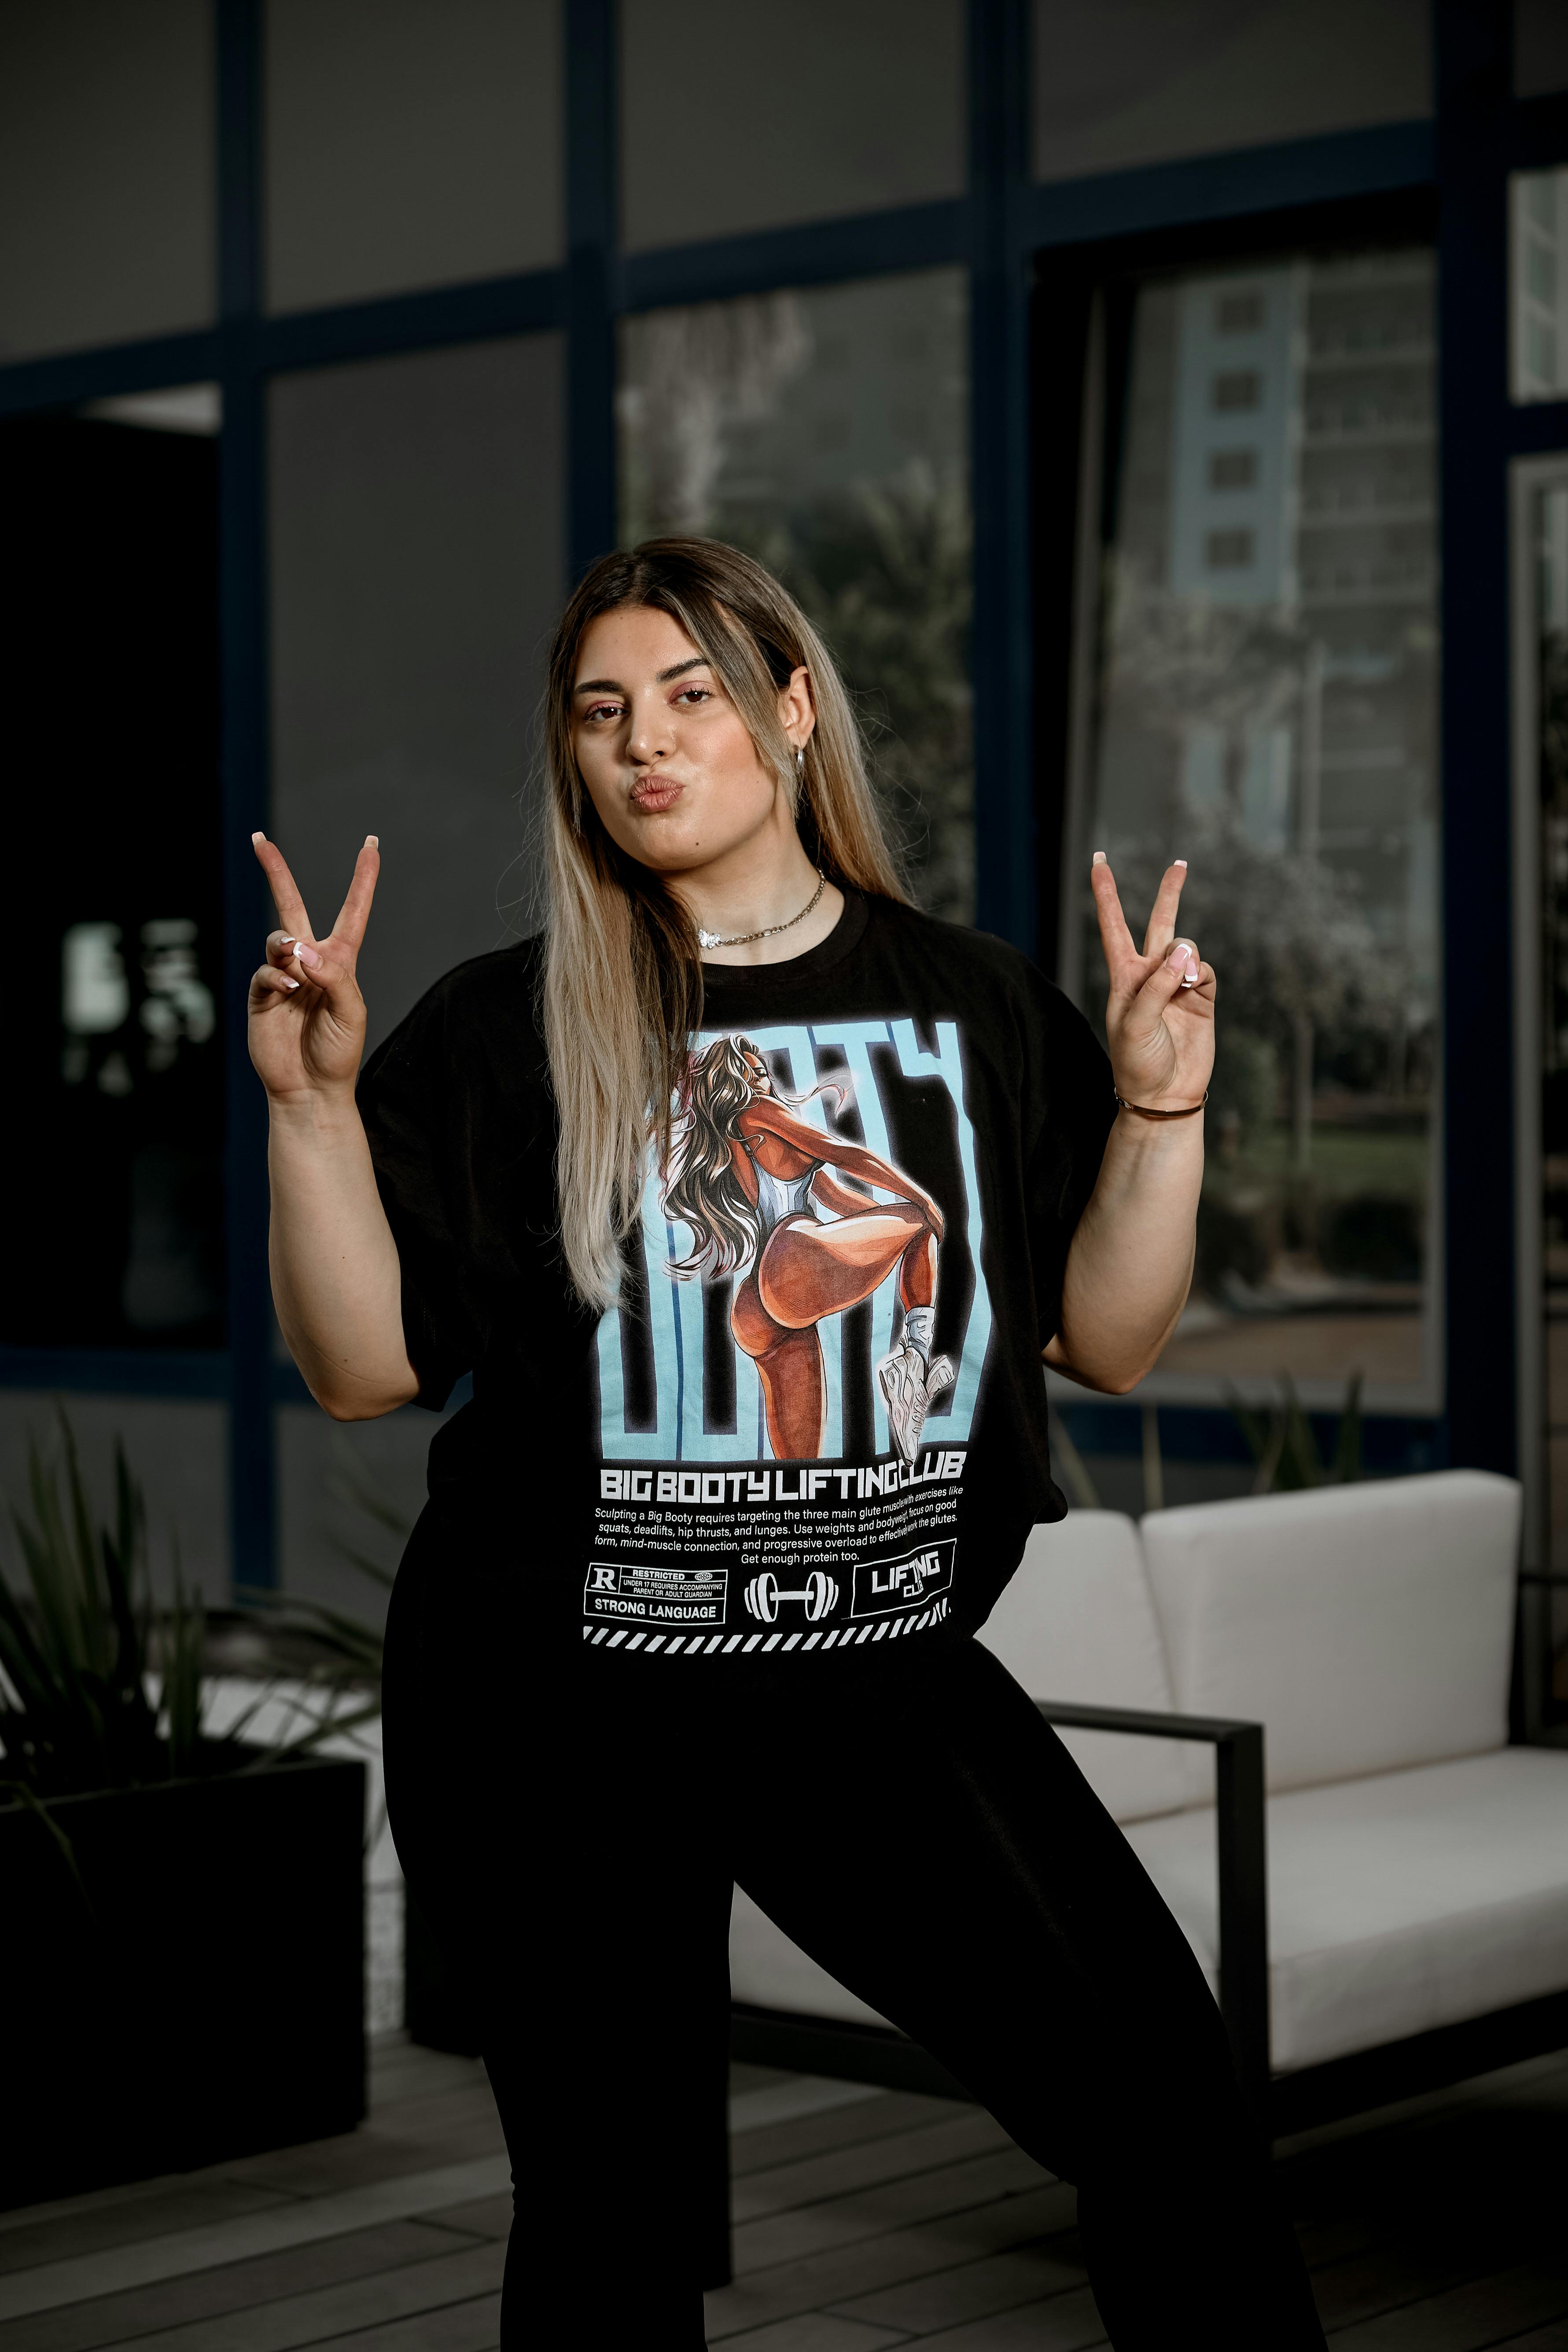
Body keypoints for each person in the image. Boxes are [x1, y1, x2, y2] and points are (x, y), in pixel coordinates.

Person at [248, 538, 1326, 2350]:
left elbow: (1111, 1337)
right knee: (611, 2219)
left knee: (1164, 2109)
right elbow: (363, 1372)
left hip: (870, 1672)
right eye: (603, 712)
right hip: (555, 1693)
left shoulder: (972, 1003)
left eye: (691, 695)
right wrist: (314, 1111)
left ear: (794, 710)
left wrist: (1160, 1108)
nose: (645, 744)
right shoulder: (510, 1028)